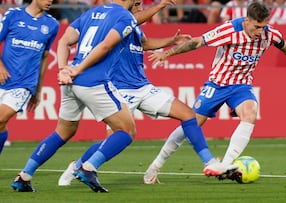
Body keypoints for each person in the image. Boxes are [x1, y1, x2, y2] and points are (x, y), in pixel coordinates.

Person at [57, 0, 239, 187]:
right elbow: (133, 18)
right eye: (136, 4)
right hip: (120, 89)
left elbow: (145, 43)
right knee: (116, 137)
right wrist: (159, 6)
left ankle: (210, 163)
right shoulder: (120, 19)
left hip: (143, 87)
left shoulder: (134, 28)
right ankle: (78, 166)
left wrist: (171, 41)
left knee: (187, 114)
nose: (140, 8)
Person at [144, 1, 286, 184]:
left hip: (241, 87)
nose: (260, 32)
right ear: (247, 20)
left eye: (263, 27)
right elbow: (198, 42)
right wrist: (166, 54)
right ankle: (154, 167)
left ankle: (224, 165)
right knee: (190, 127)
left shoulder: (270, 34)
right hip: (217, 84)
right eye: (257, 27)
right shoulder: (229, 30)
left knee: (251, 112)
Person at [11, 0, 138, 193]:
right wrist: (79, 69)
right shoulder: (124, 16)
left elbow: (64, 41)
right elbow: (105, 46)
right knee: (126, 131)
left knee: (63, 132)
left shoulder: (91, 13)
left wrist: (64, 69)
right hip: (92, 80)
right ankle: (88, 167)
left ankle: (24, 176)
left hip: (71, 81)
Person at [0, 0, 59, 161]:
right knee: (1, 125)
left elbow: (45, 57)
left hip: (24, 84)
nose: (50, 1)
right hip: (3, 78)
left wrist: (38, 90)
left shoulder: (52, 24)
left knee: (1, 119)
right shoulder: (13, 15)